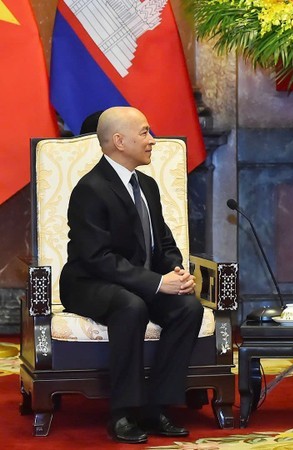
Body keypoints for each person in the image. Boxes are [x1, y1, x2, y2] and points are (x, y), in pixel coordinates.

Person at [59, 106, 204, 444]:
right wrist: (156, 283)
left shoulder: (148, 187)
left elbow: (163, 242)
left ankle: (156, 407)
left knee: (188, 309)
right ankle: (123, 413)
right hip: (89, 283)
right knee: (131, 306)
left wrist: (175, 272)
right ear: (119, 141)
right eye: (145, 133)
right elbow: (97, 259)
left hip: (137, 280)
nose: (153, 140)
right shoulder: (91, 189)